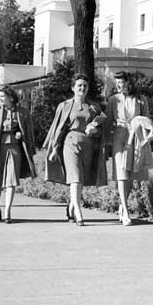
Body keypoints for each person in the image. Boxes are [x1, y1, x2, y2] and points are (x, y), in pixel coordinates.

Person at [43, 74, 105, 226]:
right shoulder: (64, 106)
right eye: (79, 86)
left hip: (88, 145)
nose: (82, 88)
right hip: (70, 144)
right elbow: (59, 129)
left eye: (85, 86)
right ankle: (78, 212)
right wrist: (54, 149)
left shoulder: (94, 107)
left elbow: (101, 131)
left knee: (80, 180)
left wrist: (94, 130)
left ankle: (71, 207)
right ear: (73, 88)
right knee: (75, 178)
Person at [0, 86, 36, 223]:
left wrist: (21, 135)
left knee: (11, 180)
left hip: (14, 148)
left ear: (10, 97)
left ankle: (7, 211)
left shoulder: (22, 112)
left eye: (3, 97)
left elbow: (29, 132)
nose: (0, 99)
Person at [103, 72, 153, 226]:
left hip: (136, 137)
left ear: (129, 83)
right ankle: (125, 209)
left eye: (123, 83)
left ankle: (122, 205)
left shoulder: (140, 99)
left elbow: (147, 118)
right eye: (118, 83)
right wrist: (105, 142)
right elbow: (107, 121)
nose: (120, 86)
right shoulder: (113, 100)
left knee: (131, 173)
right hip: (119, 136)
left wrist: (147, 134)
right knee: (121, 173)